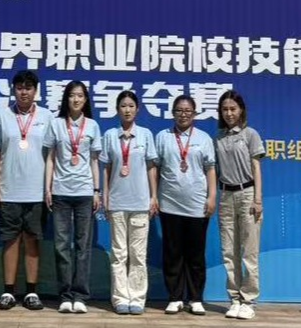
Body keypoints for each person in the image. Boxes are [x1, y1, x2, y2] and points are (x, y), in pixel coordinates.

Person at [0, 70, 52, 310]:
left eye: (28, 87)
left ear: (36, 91)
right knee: (10, 240)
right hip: (9, 189)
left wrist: (49, 187)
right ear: (13, 90)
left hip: (37, 191)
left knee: (33, 241)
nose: (24, 92)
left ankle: (31, 292)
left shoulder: (47, 116)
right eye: (19, 87)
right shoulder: (3, 116)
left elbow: (52, 155)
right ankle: (8, 292)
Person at [155, 94, 216, 316]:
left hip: (197, 205)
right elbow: (156, 169)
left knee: (195, 254)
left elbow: (210, 169)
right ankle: (175, 297)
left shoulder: (204, 138)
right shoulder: (163, 137)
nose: (183, 114)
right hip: (169, 204)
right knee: (172, 253)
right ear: (173, 113)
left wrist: (212, 197)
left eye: (188, 111)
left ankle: (195, 298)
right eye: (179, 110)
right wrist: (154, 197)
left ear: (195, 114)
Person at [44, 80, 102, 314]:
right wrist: (47, 189)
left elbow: (95, 161)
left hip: (84, 193)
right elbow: (50, 158)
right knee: (61, 246)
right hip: (60, 192)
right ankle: (65, 295)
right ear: (66, 99)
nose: (76, 99)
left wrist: (96, 190)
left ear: (85, 100)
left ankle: (80, 295)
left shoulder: (93, 126)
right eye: (72, 95)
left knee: (82, 246)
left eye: (80, 95)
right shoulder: (56, 124)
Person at [100, 89, 158, 315]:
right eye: (123, 106)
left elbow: (151, 167)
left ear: (137, 109)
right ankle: (120, 298)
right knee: (119, 254)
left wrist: (153, 196)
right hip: (116, 202)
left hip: (140, 202)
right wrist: (105, 197)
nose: (127, 110)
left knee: (138, 255)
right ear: (117, 110)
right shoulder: (109, 136)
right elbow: (106, 169)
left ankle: (137, 298)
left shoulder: (145, 135)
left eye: (131, 106)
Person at [214, 91, 265, 320]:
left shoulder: (250, 134)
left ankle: (248, 300)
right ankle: (234, 299)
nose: (229, 113)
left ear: (241, 110)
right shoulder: (218, 138)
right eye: (225, 109)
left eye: (233, 109)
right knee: (229, 251)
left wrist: (258, 199)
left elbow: (256, 167)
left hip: (247, 194)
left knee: (249, 252)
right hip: (226, 195)